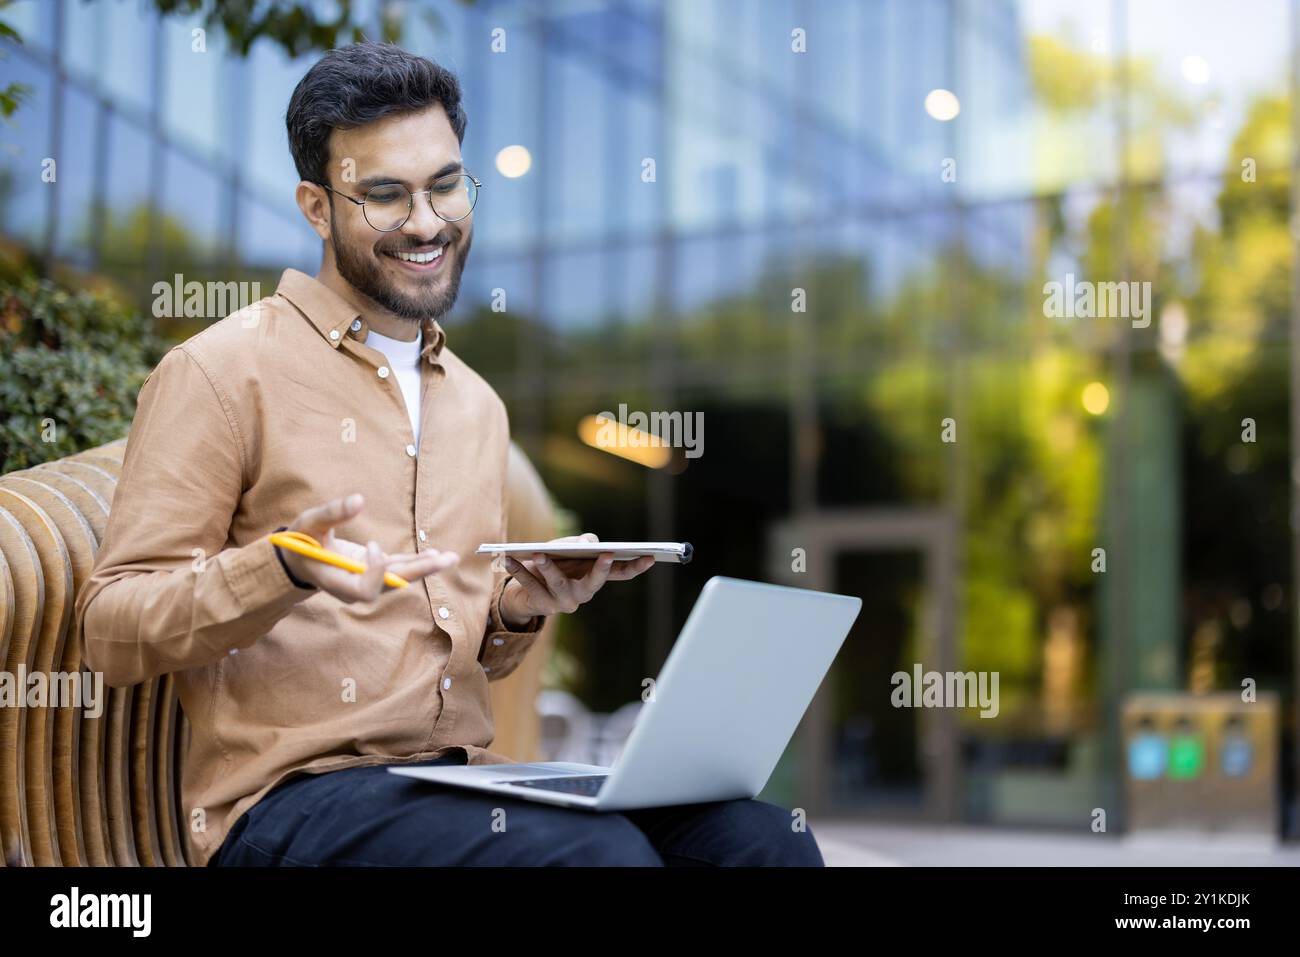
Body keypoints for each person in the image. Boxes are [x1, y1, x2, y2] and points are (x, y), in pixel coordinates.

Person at [74, 41, 823, 868]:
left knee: (756, 837)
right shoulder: (219, 372)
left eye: (445, 186)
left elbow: (472, 654)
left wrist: (520, 604)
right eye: (386, 196)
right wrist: (283, 568)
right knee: (596, 856)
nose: (427, 223)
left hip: (463, 784)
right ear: (317, 208)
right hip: (292, 804)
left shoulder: (476, 404)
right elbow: (111, 629)